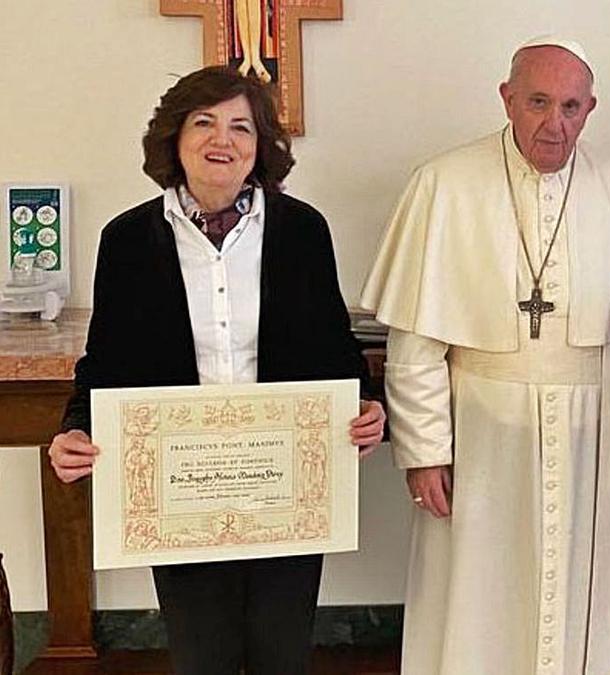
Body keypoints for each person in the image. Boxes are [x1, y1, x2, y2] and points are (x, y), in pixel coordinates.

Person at [46, 65, 384, 675]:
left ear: (261, 147)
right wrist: (75, 426)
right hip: (181, 485)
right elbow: (107, 361)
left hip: (286, 476)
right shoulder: (126, 240)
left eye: (241, 127)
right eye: (204, 122)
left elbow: (335, 347)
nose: (221, 140)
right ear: (174, 138)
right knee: (202, 656)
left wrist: (364, 405)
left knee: (283, 654)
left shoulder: (303, 230)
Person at [360, 35, 610, 675]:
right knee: (483, 593)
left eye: (570, 106)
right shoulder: (443, 184)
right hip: (484, 432)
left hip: (603, 433)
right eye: (537, 102)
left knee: (604, 587)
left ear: (591, 109)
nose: (553, 124)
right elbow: (417, 343)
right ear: (507, 99)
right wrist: (425, 450)